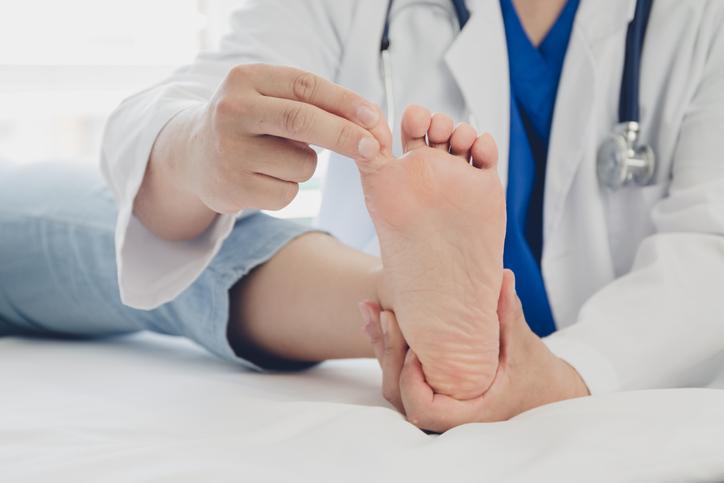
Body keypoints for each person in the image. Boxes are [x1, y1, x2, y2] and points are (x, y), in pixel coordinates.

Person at [2, 0, 724, 431]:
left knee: (30, 227)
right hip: (364, 301)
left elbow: (712, 246)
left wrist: (565, 374)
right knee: (203, 226)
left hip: (364, 316)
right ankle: (410, 303)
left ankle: (406, 309)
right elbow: (179, 114)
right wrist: (202, 149)